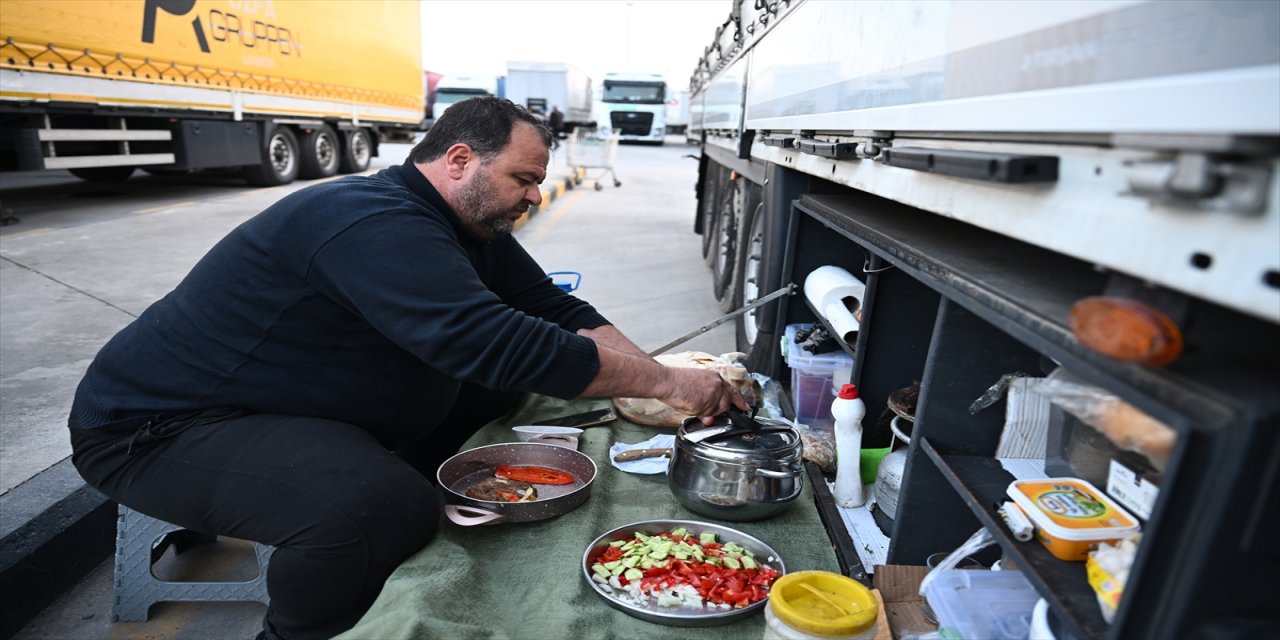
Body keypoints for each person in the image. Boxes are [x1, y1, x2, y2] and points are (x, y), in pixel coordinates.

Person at [67, 96, 746, 640]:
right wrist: (667, 384)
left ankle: (401, 477)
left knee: (492, 390)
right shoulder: (371, 220)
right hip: (159, 428)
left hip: (277, 399)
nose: (534, 196)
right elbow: (491, 341)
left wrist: (654, 371)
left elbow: (548, 306)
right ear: (459, 159)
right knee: (374, 510)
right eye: (524, 178)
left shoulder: (469, 224)